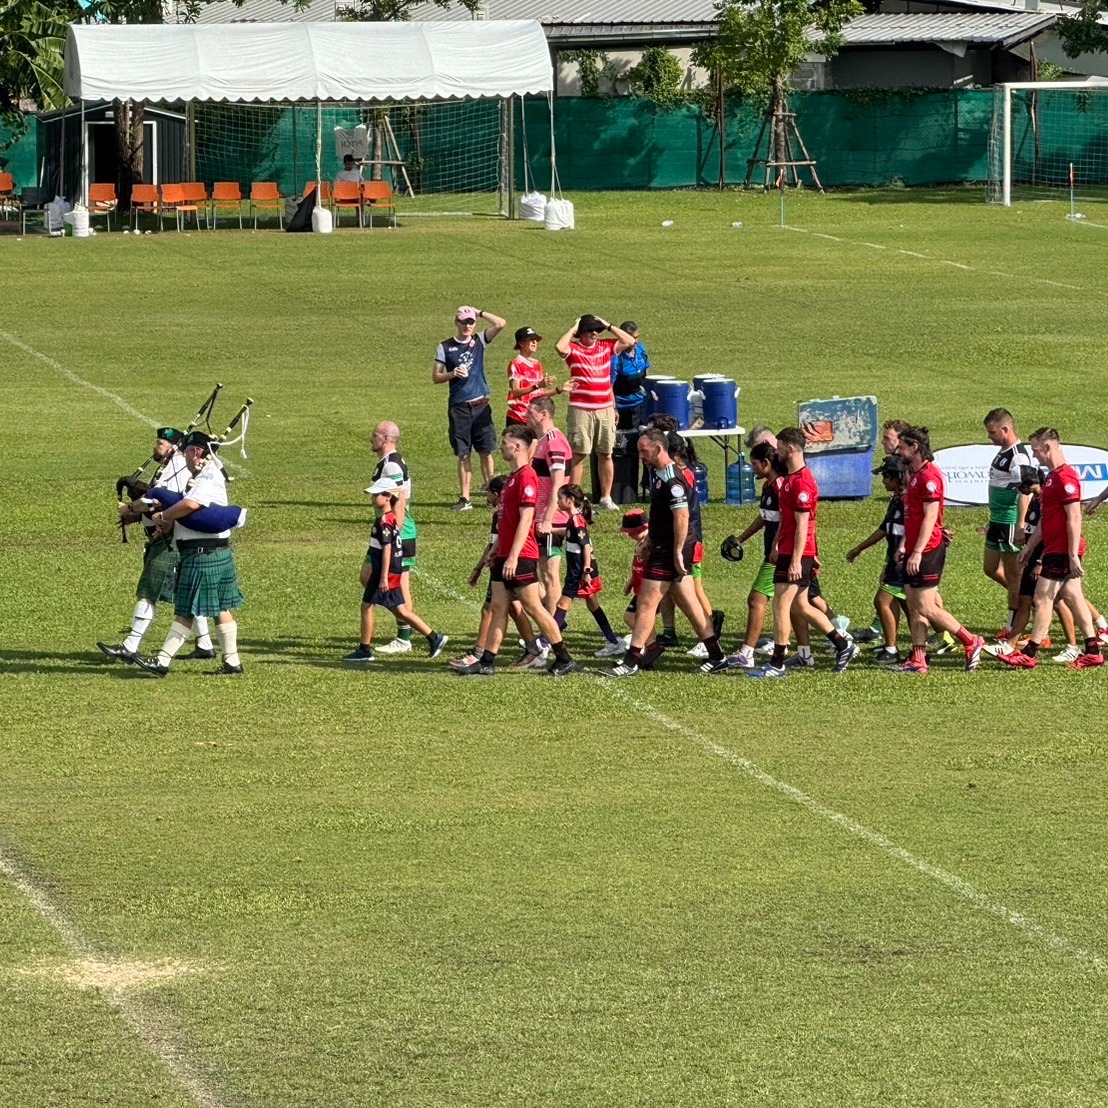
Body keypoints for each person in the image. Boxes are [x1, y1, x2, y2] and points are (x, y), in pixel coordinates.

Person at [600, 429, 727, 677]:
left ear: (659, 449)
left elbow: (682, 517)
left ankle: (631, 660)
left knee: (646, 603)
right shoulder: (658, 474)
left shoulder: (672, 479)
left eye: (643, 451)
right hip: (663, 545)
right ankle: (717, 655)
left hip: (670, 550)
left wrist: (677, 551)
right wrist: (649, 539)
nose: (640, 456)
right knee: (689, 604)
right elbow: (662, 516)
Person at [455, 425, 577, 678]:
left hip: (521, 556)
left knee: (533, 607)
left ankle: (563, 657)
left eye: (505, 443)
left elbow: (526, 519)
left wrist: (512, 556)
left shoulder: (526, 477)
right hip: (505, 555)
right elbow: (506, 521)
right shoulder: (511, 478)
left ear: (518, 447)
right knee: (498, 608)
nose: (502, 447)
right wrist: (497, 549)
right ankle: (487, 661)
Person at [98, 427, 217, 664]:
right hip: (171, 536)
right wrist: (137, 517)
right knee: (186, 592)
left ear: (173, 447)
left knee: (149, 591)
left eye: (160, 443)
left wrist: (131, 509)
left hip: (167, 538)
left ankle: (131, 646)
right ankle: (205, 644)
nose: (155, 448)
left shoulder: (178, 468)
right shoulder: (173, 467)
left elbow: (162, 503)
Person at [748, 427, 858, 679]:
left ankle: (777, 663)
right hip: (790, 550)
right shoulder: (790, 480)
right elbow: (787, 520)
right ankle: (843, 644)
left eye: (780, 447)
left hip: (796, 554)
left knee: (780, 605)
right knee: (800, 605)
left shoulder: (802, 483)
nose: (776, 451)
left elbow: (803, 525)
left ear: (791, 448)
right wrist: (777, 543)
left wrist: (798, 558)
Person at [133, 431, 245, 677]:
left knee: (186, 610)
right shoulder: (201, 474)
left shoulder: (208, 475)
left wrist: (163, 516)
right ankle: (233, 662)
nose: (184, 458)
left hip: (202, 552)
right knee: (221, 609)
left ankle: (162, 662)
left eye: (186, 453)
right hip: (214, 551)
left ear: (196, 452)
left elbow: (190, 505)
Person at [995, 428, 1104, 670]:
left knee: (1042, 597)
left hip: (1063, 549)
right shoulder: (1053, 477)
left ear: (1048, 447)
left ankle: (1030, 652)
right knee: (1074, 597)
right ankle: (1093, 650)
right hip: (1055, 546)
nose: (1035, 456)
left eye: (1036, 450)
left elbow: (1074, 517)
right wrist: (1029, 547)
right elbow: (1046, 520)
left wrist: (1073, 554)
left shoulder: (1066, 478)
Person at [893, 426, 984, 677]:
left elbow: (930, 518)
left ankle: (970, 640)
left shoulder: (929, 478)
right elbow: (912, 515)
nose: (898, 451)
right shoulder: (913, 474)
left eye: (902, 447)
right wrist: (904, 545)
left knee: (925, 606)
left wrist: (917, 552)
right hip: (914, 547)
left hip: (929, 549)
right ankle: (919, 658)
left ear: (915, 448)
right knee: (913, 605)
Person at [344, 479, 447, 664]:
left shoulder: (384, 521)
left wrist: (383, 576)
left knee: (367, 606)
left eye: (377, 495)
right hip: (392, 570)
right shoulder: (392, 518)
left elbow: (387, 549)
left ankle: (365, 649)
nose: (373, 498)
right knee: (399, 609)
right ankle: (434, 637)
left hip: (383, 571)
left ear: (388, 497)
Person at [556, 314, 636, 511]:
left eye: (596, 330)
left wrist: (608, 325)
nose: (594, 334)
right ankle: (574, 499)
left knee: (606, 453)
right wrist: (574, 327)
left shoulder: (605, 346)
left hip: (605, 408)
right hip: (581, 409)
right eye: (589, 330)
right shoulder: (574, 349)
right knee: (579, 454)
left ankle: (606, 497)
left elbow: (629, 340)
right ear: (581, 333)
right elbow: (559, 347)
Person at [432, 305, 506, 511]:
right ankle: (465, 498)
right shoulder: (445, 347)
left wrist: (480, 312)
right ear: (456, 323)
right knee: (464, 453)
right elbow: (436, 377)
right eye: (464, 322)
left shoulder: (479, 340)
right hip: (459, 407)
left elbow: (500, 323)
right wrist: (452, 373)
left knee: (486, 451)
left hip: (481, 404)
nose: (467, 326)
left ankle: (494, 497)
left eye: (471, 322)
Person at [724, 441, 785, 669]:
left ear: (767, 464)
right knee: (801, 604)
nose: (753, 469)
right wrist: (741, 538)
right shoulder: (768, 487)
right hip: (773, 554)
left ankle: (746, 653)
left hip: (777, 557)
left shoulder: (780, 486)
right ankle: (838, 638)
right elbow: (764, 517)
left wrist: (776, 547)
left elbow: (787, 519)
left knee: (756, 600)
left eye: (755, 464)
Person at [845, 455, 909, 665]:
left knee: (882, 601)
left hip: (903, 562)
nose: (883, 482)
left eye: (885, 477)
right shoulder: (896, 498)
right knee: (903, 604)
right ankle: (905, 645)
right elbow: (884, 528)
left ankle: (892, 649)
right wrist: (860, 548)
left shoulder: (908, 500)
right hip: (894, 561)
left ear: (897, 478)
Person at [551, 483, 624, 657]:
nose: (557, 501)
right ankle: (613, 641)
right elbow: (570, 533)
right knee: (593, 605)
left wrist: (586, 571)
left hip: (579, 572)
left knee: (562, 605)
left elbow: (585, 547)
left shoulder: (576, 521)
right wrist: (551, 530)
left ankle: (545, 642)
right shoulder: (573, 520)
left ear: (570, 500)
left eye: (560, 498)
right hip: (579, 570)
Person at [367, 421, 421, 655]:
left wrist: (393, 531)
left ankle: (406, 636)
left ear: (387, 438)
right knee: (369, 577)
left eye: (375, 435)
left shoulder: (391, 465)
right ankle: (408, 626)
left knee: (399, 585)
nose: (371, 438)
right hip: (394, 529)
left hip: (400, 530)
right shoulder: (389, 462)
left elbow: (399, 499)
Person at [982, 408, 1034, 639]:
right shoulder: (1003, 451)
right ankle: (1026, 601)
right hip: (997, 521)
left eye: (992, 432)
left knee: (1015, 577)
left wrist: (1021, 524)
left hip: (1010, 522)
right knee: (990, 569)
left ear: (1006, 428)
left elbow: (1025, 493)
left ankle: (1014, 626)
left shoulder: (1018, 456)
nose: (989, 437)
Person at [526, 396, 573, 621]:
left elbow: (559, 483)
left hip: (551, 519)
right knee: (540, 573)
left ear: (544, 415)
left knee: (549, 574)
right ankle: (551, 620)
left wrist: (546, 517)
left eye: (530, 413)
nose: (527, 417)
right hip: (543, 515)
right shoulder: (544, 439)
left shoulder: (554, 441)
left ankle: (554, 626)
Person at [505, 327, 559, 428]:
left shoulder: (537, 364)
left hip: (534, 418)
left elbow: (539, 394)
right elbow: (515, 392)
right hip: (518, 418)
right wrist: (538, 385)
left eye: (536, 340)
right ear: (521, 343)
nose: (535, 342)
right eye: (531, 340)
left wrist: (559, 390)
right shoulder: (516, 363)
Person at [610, 321, 650, 430]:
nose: (635, 341)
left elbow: (646, 376)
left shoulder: (641, 350)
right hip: (623, 408)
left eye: (637, 337)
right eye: (631, 338)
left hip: (642, 405)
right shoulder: (616, 358)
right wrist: (613, 409)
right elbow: (610, 386)